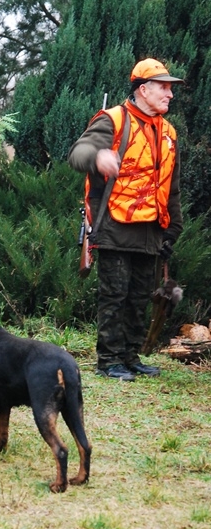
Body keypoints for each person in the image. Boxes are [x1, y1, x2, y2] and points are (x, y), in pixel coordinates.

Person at [68, 58, 183, 381]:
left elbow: (171, 185)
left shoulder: (169, 132)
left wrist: (173, 228)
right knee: (115, 295)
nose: (170, 94)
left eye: (170, 88)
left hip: (151, 229)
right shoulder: (113, 120)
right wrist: (98, 156)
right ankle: (109, 361)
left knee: (139, 297)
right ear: (143, 89)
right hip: (115, 224)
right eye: (163, 88)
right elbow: (77, 153)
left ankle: (131, 357)